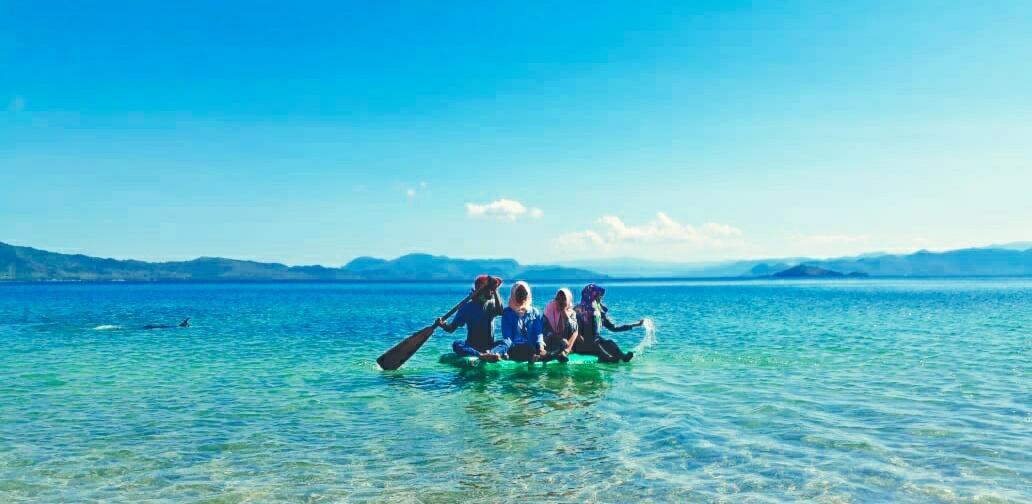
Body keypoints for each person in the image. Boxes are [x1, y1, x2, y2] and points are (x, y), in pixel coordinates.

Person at [437, 275, 506, 362]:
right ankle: (482, 355)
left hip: (489, 347)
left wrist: (495, 290)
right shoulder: (467, 307)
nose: (492, 291)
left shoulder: (491, 304)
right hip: (473, 347)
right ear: (481, 289)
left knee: (507, 341)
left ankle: (493, 354)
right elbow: (451, 329)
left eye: (494, 289)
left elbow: (500, 312)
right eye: (490, 289)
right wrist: (443, 325)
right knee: (457, 344)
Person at [573, 284, 644, 363]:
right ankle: (607, 358)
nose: (600, 297)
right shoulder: (578, 310)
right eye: (598, 295)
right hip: (581, 344)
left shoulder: (599, 313)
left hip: (595, 341)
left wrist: (635, 325)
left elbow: (614, 328)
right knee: (600, 349)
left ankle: (623, 357)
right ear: (591, 296)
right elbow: (571, 327)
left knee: (610, 343)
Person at [500, 281, 546, 362]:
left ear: (528, 295)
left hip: (530, 345)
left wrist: (541, 347)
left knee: (530, 347)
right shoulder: (507, 312)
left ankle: (535, 356)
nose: (521, 296)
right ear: (513, 295)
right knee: (521, 348)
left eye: (524, 293)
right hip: (514, 346)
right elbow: (507, 336)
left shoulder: (534, 312)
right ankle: (531, 357)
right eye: (518, 293)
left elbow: (539, 333)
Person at [542, 288, 578, 363]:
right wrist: (559, 339)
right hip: (550, 340)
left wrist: (563, 311)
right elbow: (545, 330)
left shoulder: (571, 312)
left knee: (575, 332)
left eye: (563, 299)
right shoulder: (549, 309)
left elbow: (573, 329)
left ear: (568, 300)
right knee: (558, 340)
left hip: (566, 342)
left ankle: (565, 351)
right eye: (557, 299)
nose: (560, 301)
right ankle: (561, 352)